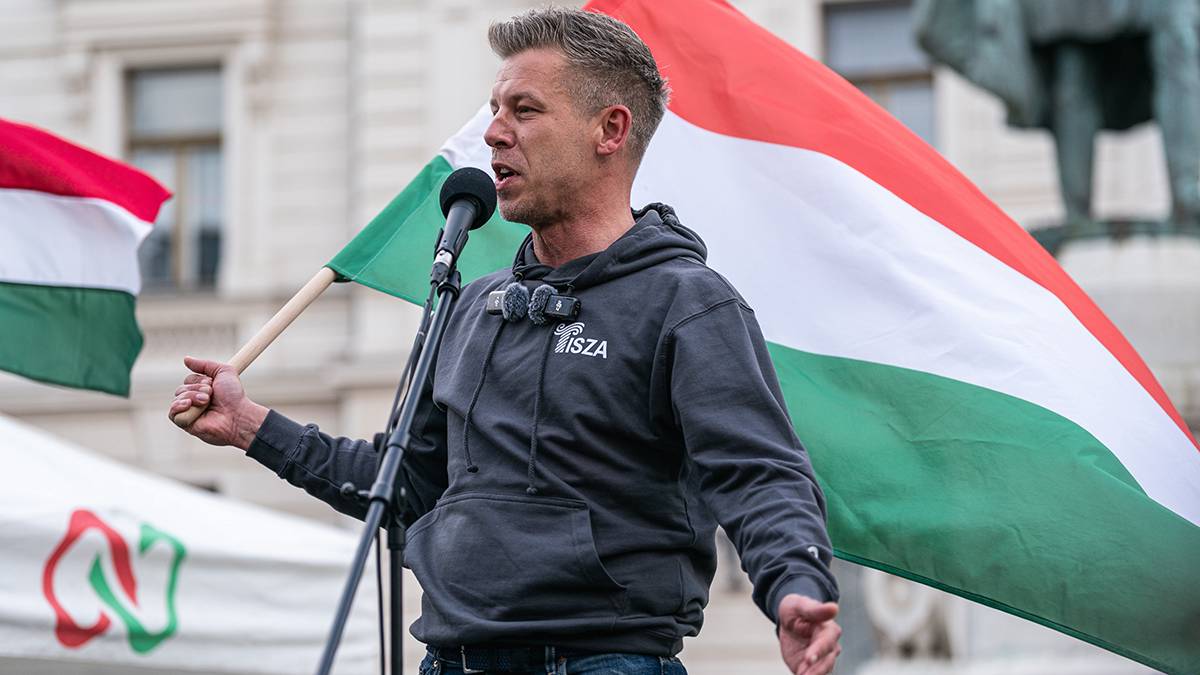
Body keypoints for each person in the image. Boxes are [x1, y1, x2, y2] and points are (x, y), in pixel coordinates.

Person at [169, 7, 841, 675]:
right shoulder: (468, 306)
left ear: (610, 130)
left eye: (524, 110)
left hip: (600, 662)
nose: (494, 133)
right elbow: (404, 487)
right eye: (495, 109)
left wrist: (795, 582)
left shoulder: (687, 302)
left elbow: (759, 474)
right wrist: (250, 425)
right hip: (448, 660)